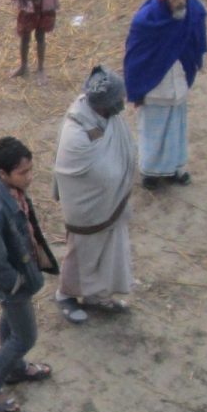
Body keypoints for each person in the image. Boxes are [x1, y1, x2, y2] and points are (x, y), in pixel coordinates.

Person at [0, 136, 56, 412]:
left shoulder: (12, 192)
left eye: (30, 170)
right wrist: (16, 284)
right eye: (23, 173)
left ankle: (15, 368)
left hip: (21, 275)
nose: (30, 177)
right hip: (14, 284)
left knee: (10, 323)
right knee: (24, 337)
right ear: (2, 173)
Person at [53, 66, 136, 324]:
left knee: (109, 250)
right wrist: (114, 176)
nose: (122, 105)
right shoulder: (76, 130)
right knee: (83, 252)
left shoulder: (108, 118)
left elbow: (117, 155)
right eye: (118, 100)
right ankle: (66, 294)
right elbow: (86, 170)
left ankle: (96, 296)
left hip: (111, 203)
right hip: (88, 206)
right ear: (103, 104)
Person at [123, 0, 207, 189]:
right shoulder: (146, 22)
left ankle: (175, 169)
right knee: (154, 128)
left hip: (178, 82)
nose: (181, 1)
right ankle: (151, 171)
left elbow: (197, 36)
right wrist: (136, 90)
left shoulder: (193, 10)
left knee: (176, 127)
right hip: (154, 86)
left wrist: (197, 58)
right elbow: (136, 59)